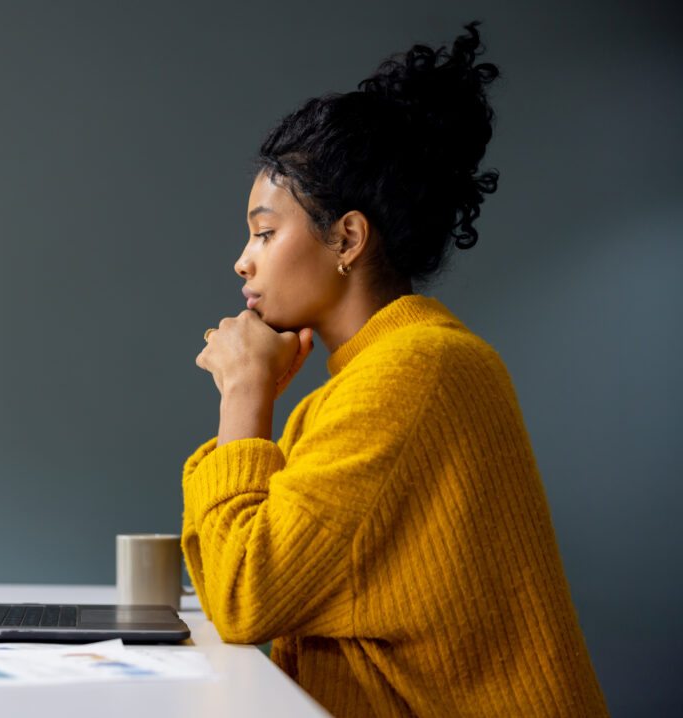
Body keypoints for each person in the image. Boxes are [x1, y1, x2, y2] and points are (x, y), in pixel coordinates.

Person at [185, 21, 608, 717]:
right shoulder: (387, 370)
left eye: (264, 232)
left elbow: (241, 596)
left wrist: (245, 395)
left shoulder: (412, 375)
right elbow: (234, 573)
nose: (243, 259)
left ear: (346, 237)